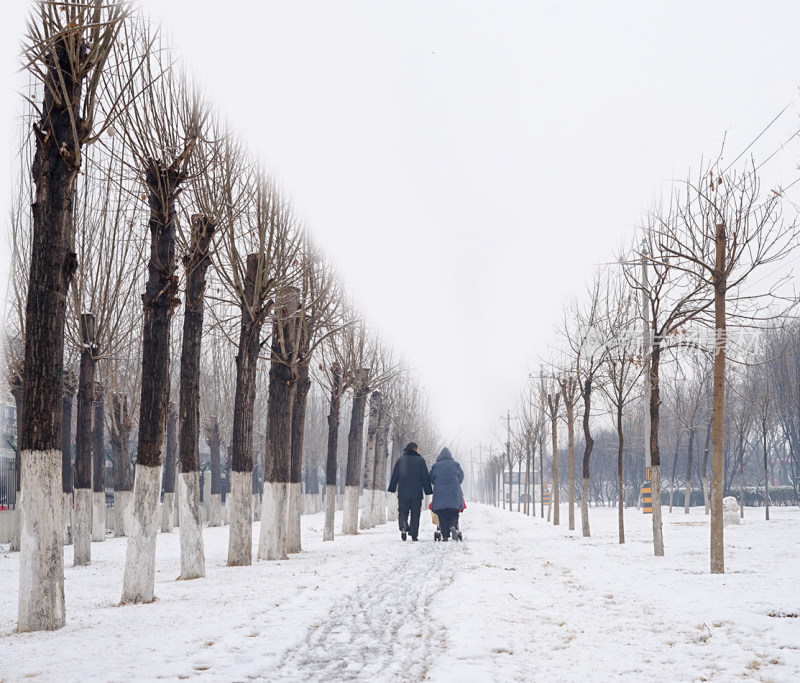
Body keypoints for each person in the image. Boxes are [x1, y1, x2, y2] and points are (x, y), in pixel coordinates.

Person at [387, 442, 432, 541]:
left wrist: (392, 488)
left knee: (403, 511)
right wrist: (428, 490)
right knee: (415, 514)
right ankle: (414, 534)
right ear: (415, 449)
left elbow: (395, 475)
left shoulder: (401, 460)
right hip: (416, 493)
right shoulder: (420, 461)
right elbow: (425, 476)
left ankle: (403, 526)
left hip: (403, 492)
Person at [430, 447, 464, 541]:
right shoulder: (456, 465)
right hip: (454, 493)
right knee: (454, 512)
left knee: (442, 514)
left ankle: (445, 535)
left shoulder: (435, 466)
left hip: (440, 494)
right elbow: (460, 478)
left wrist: (437, 484)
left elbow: (431, 479)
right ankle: (453, 526)